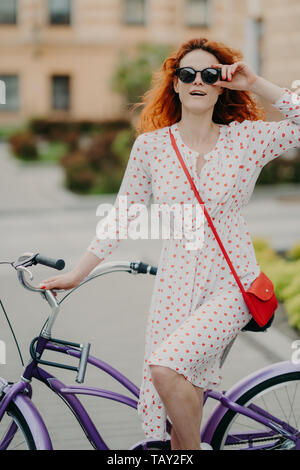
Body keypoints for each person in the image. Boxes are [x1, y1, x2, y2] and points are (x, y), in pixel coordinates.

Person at [39, 37, 300, 450]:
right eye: (187, 73)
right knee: (178, 413)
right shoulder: (152, 147)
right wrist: (76, 272)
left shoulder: (246, 140)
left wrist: (255, 82)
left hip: (231, 284)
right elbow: (122, 216)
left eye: (210, 74)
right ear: (175, 85)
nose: (198, 80)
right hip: (174, 291)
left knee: (165, 368)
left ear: (221, 86)